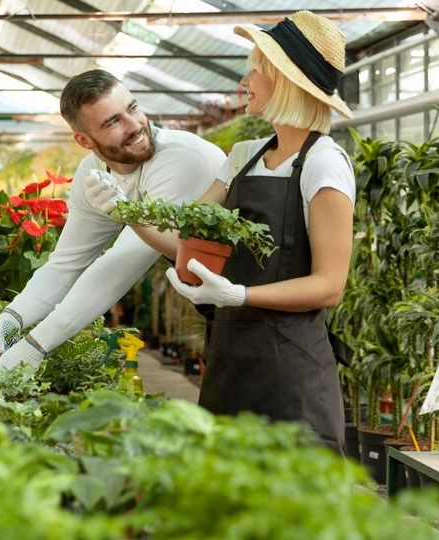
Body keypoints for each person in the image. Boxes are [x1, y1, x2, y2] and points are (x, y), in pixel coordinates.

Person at [86, 11, 355, 453]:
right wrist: (126, 211)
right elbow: (185, 240)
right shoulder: (245, 156)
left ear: (286, 82)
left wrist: (239, 295)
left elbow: (328, 286)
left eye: (256, 69)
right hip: (230, 362)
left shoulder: (324, 164)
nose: (245, 79)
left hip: (291, 375)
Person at [0, 69, 226, 371]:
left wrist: (36, 346)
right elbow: (67, 263)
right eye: (113, 122)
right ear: (84, 140)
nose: (135, 125)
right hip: (220, 301)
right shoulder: (93, 175)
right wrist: (14, 316)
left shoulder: (182, 159)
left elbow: (122, 263)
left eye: (133, 108)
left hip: (267, 296)